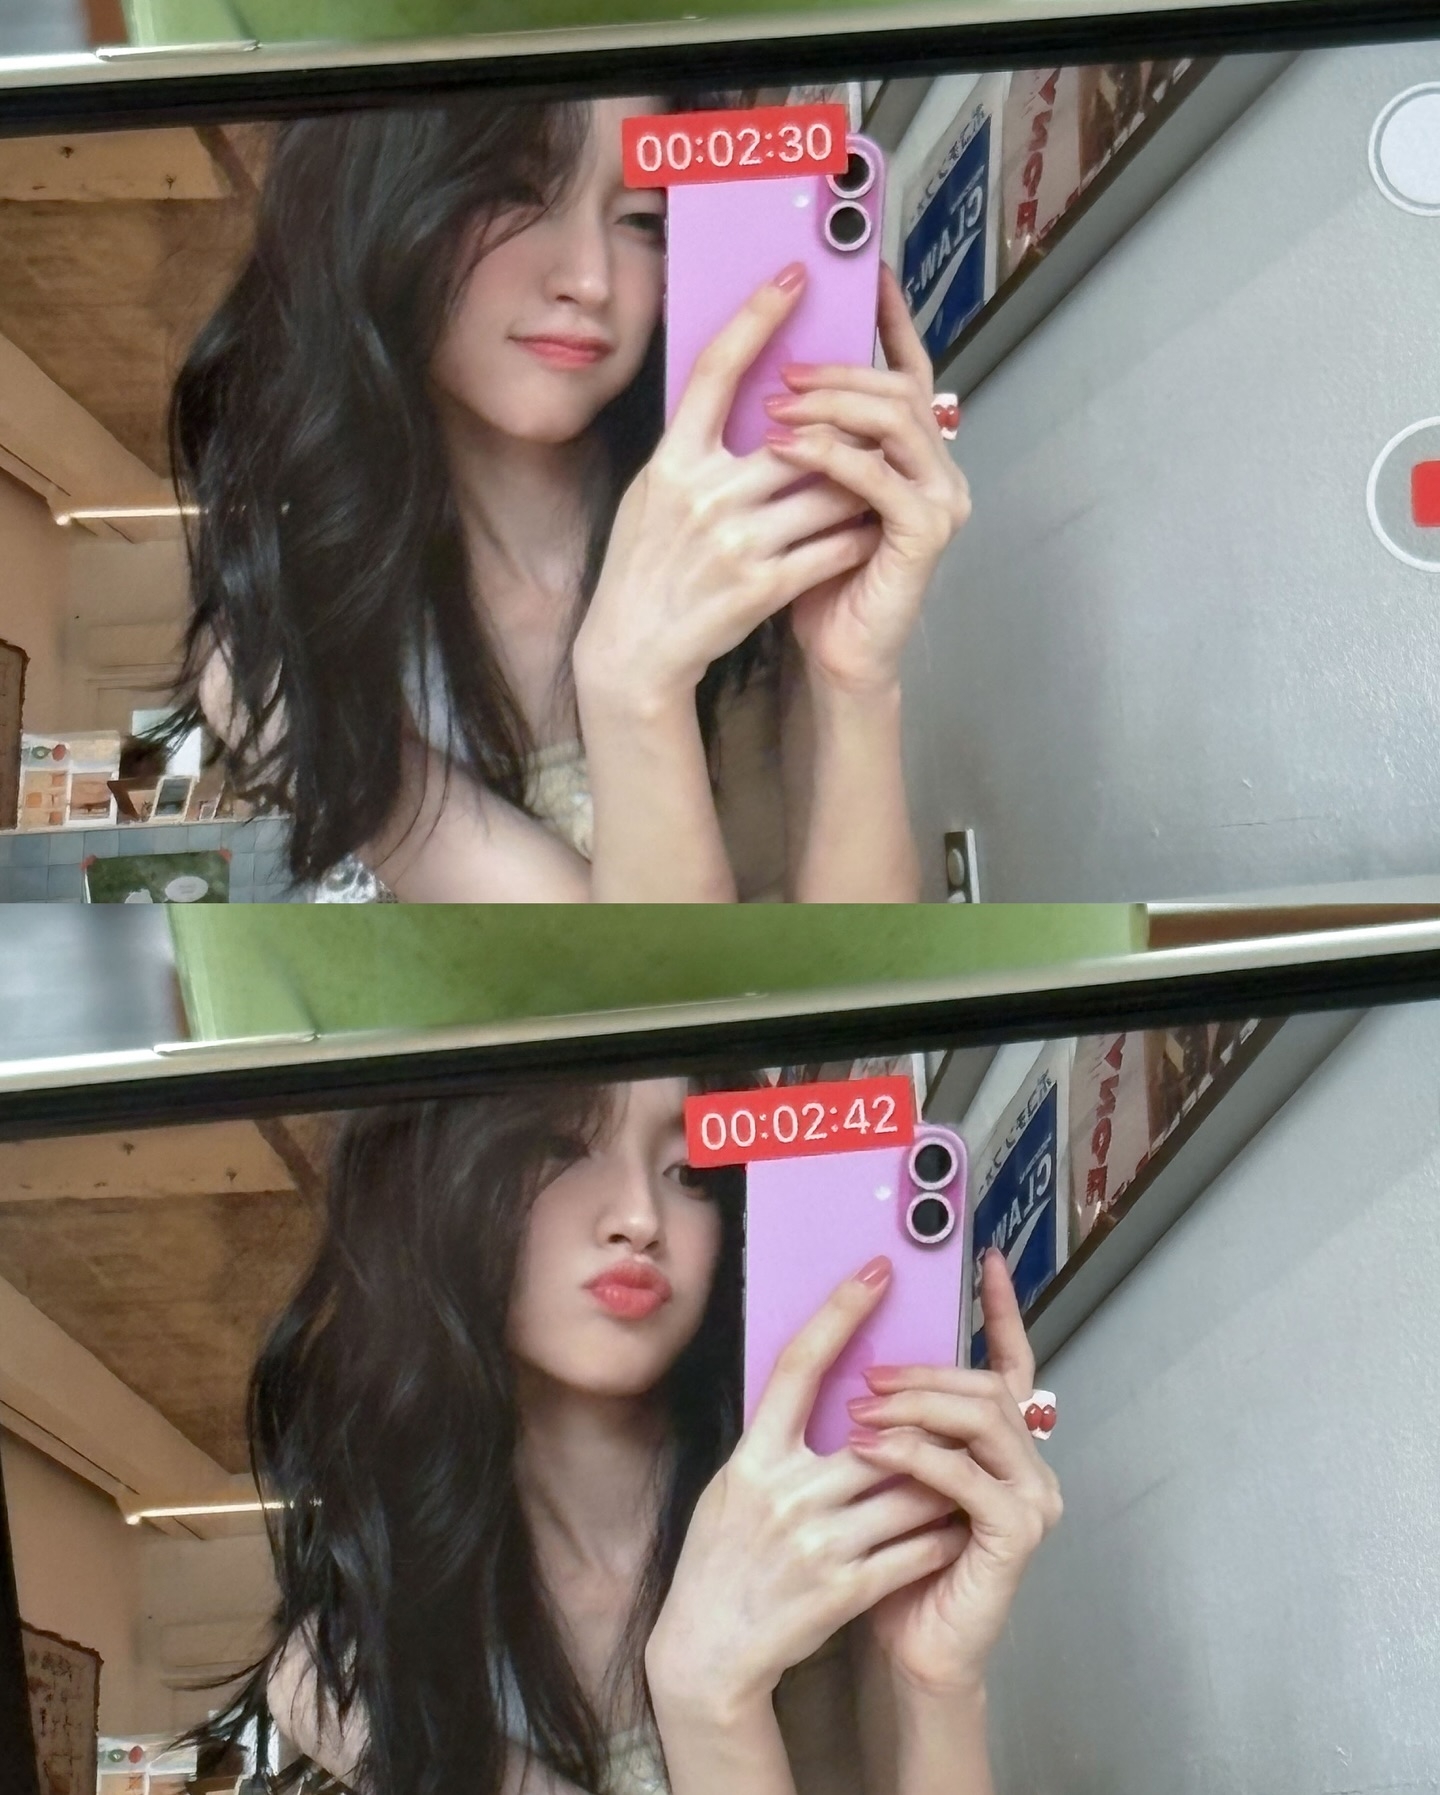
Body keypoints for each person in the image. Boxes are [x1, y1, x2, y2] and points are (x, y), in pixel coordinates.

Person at [167, 92, 971, 902]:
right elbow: (646, 980)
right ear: (377, 203)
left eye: (643, 221)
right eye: (515, 192)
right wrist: (632, 688)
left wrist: (852, 681)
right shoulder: (284, 658)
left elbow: (863, 966)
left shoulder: (751, 532)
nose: (588, 280)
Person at [197, 1078, 1061, 1794]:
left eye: (689, 1172)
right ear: (444, 1184)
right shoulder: (349, 1670)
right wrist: (707, 1699)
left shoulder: (817, 1526)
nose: (640, 1216)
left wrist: (936, 1684)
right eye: (560, 1148)